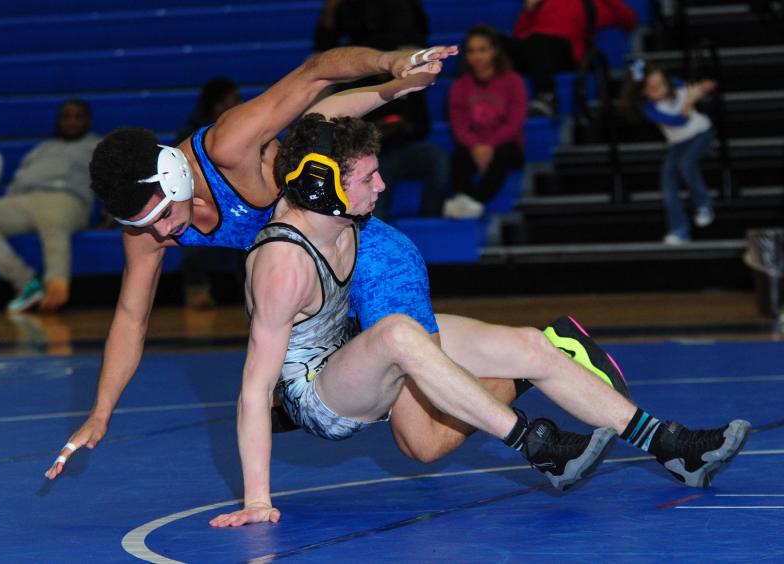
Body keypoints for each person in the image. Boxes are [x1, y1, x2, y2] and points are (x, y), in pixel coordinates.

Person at [44, 48, 708, 494]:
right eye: (146, 229)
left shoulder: (231, 145)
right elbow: (131, 317)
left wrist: (389, 71)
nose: (165, 236)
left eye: (164, 216)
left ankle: (542, 379)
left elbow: (314, 84)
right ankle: (544, 354)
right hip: (313, 286)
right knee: (378, 425)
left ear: (177, 173)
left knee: (419, 438)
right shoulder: (148, 231)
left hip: (366, 251)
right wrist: (101, 412)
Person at [209, 114, 750, 527]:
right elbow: (254, 390)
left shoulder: (341, 215)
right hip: (319, 397)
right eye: (370, 177)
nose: (382, 187)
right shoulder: (283, 265)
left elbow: (315, 126)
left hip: (349, 348)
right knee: (402, 342)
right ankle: (535, 445)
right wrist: (257, 500)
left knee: (533, 346)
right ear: (323, 185)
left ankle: (673, 447)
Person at [314, 0, 451, 220]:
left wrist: (405, 127)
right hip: (370, 152)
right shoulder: (350, 84)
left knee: (438, 160)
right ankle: (368, 229)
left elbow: (422, 126)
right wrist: (374, 132)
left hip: (405, 145)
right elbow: (323, 42)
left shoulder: (409, 78)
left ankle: (430, 222)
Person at [0, 99, 100, 313]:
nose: (72, 122)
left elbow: (112, 180)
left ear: (88, 121)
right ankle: (26, 282)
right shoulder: (42, 149)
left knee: (54, 223)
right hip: (25, 199)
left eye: (78, 116)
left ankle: (57, 284)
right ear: (59, 121)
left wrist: (111, 213)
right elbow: (20, 178)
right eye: (67, 116)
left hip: (66, 198)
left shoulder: (98, 146)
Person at [619, 59, 716, 244]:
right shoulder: (650, 110)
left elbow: (694, 90)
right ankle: (679, 229)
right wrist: (689, 101)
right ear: (644, 93)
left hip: (701, 132)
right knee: (668, 183)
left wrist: (702, 89)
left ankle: (704, 204)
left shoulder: (676, 84)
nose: (662, 89)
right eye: (654, 88)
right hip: (679, 142)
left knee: (686, 164)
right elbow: (679, 121)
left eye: (662, 83)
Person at [443, 25, 528, 219]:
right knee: (459, 158)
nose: (477, 56)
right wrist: (476, 147)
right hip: (473, 147)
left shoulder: (513, 81)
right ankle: (466, 200)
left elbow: (515, 121)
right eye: (472, 51)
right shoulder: (460, 86)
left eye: (483, 50)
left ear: (494, 51)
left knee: (503, 156)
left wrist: (489, 146)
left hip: (505, 145)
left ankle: (473, 202)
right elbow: (459, 125)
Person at [174, 77, 244, 308]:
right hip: (201, 199)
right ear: (214, 105)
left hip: (238, 198)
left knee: (255, 227)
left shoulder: (244, 130)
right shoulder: (189, 133)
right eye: (229, 101)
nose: (234, 106)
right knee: (190, 227)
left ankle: (252, 289)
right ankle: (196, 289)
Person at [509, 0, 638, 116]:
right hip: (534, 51)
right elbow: (520, 35)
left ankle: (547, 97)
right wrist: (529, 10)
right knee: (496, 42)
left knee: (538, 41)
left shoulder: (593, 4)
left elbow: (630, 20)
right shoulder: (543, 3)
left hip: (566, 54)